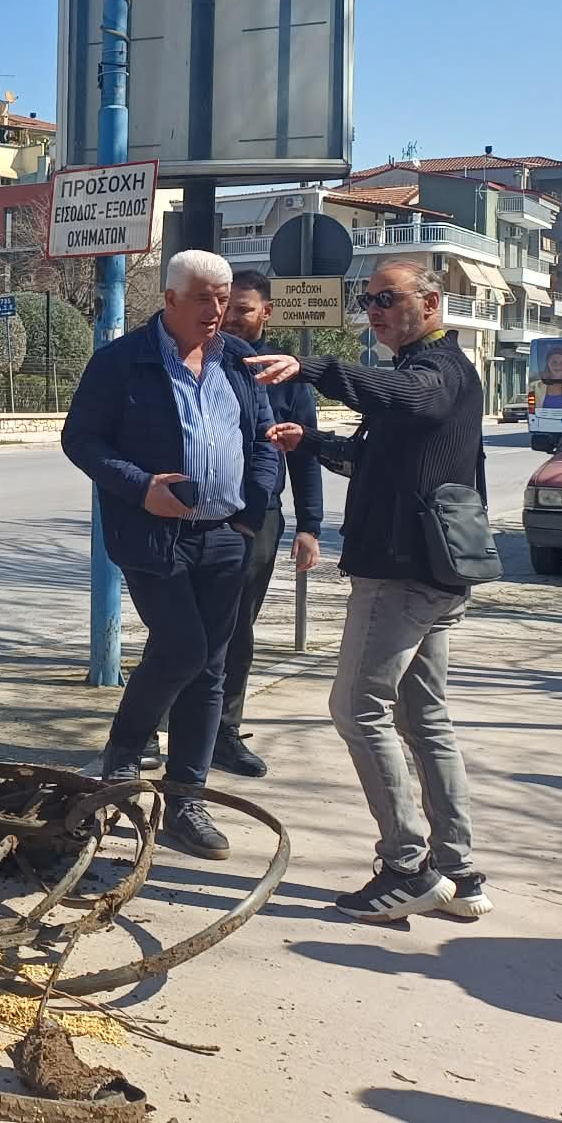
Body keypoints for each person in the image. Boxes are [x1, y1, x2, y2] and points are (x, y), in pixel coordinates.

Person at [249, 262, 493, 923]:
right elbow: (380, 457)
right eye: (368, 299)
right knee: (424, 718)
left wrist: (313, 369)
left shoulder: (438, 369)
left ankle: (407, 866)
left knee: (357, 709)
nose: (374, 309)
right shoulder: (421, 371)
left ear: (431, 302)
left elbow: (410, 398)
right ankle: (458, 871)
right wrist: (311, 441)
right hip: (433, 576)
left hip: (402, 573)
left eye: (387, 298)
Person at [60, 250, 279, 861]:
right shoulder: (122, 361)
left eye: (223, 298)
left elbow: (264, 439)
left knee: (210, 666)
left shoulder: (237, 360)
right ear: (171, 299)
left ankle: (186, 800)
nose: (216, 311)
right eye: (204, 299)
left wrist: (251, 511)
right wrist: (141, 488)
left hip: (226, 535)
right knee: (181, 648)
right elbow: (81, 439)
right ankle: (123, 757)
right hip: (154, 535)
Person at [213, 269, 324, 777]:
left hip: (260, 517)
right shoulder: (201, 360)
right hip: (199, 513)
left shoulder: (285, 375)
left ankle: (225, 731)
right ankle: (151, 726)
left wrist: (309, 526)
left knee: (238, 627)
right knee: (179, 622)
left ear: (266, 313)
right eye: (225, 307)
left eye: (243, 309)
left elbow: (304, 455)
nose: (231, 318)